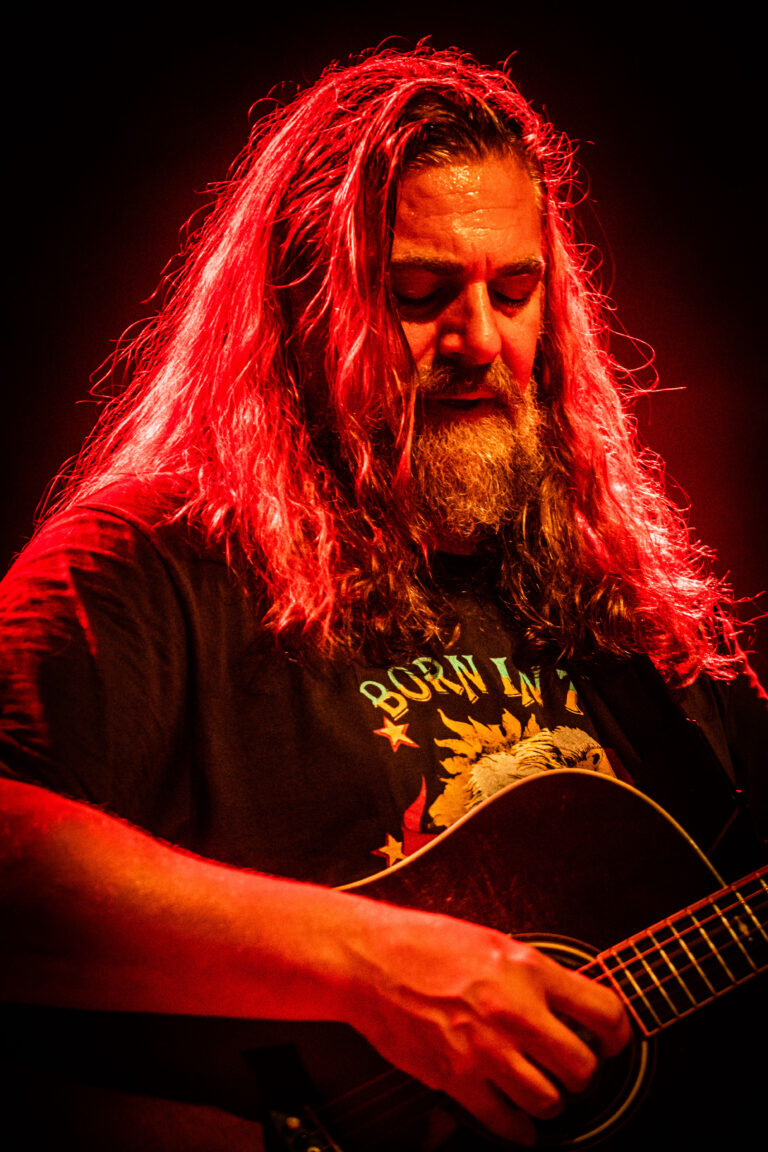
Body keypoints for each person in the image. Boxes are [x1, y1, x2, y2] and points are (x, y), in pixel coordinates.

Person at [1, 46, 765, 1152]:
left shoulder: (618, 611)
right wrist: (380, 968)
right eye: (417, 295)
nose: (480, 340)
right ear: (301, 304)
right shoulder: (146, 564)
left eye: (515, 292)